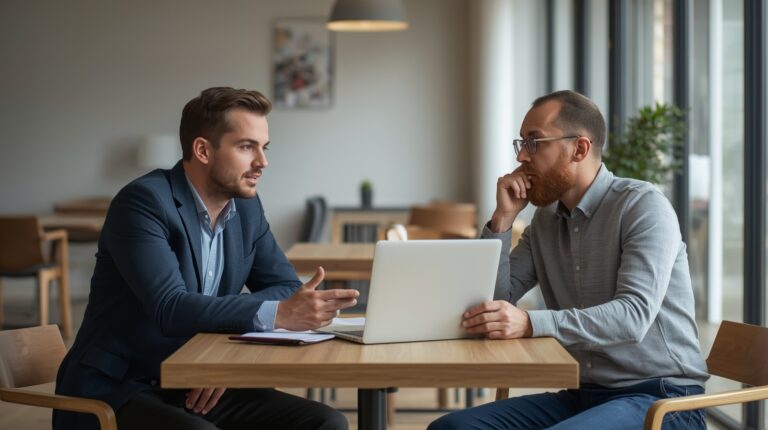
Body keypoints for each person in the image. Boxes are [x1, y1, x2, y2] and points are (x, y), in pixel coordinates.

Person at [54, 87, 359, 430]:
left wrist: (225, 357)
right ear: (202, 150)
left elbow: (285, 286)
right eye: (247, 147)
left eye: (264, 147)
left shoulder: (246, 208)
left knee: (326, 422)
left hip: (195, 377)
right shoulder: (143, 203)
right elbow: (170, 307)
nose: (263, 161)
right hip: (118, 386)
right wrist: (277, 314)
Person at [429, 90, 709, 430]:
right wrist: (501, 221)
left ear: (580, 148)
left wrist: (531, 324)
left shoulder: (642, 206)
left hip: (663, 399)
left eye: (534, 143)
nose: (521, 157)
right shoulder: (545, 221)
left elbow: (633, 316)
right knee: (453, 428)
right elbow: (494, 303)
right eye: (521, 143)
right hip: (586, 395)